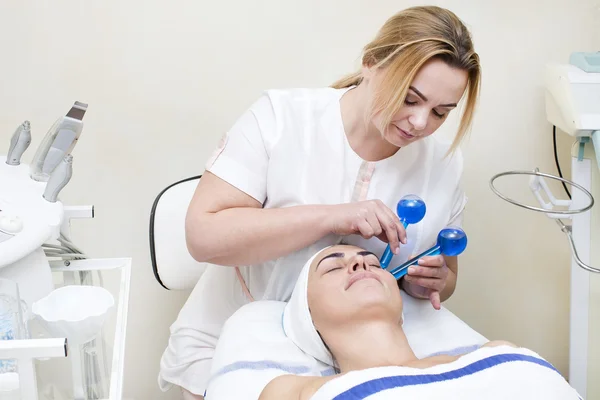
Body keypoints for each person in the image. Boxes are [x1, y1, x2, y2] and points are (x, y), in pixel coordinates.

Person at [158, 5, 481, 399]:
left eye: (441, 113)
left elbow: (447, 277)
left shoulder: (443, 165)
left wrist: (432, 281)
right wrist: (334, 217)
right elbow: (203, 237)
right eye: (410, 99)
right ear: (371, 64)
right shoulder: (282, 120)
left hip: (361, 354)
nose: (420, 123)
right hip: (235, 339)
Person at [258, 244, 581, 400]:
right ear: (306, 315)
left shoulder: (497, 352)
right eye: (332, 268)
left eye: (373, 262)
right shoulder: (292, 391)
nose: (361, 262)